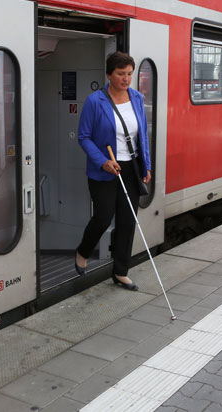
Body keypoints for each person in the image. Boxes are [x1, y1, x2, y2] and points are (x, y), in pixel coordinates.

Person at [74, 52, 151, 291]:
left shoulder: (137, 98)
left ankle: (120, 272)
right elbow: (84, 137)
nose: (126, 78)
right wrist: (102, 161)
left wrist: (146, 165)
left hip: (131, 168)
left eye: (129, 73)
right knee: (104, 217)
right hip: (106, 169)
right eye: (120, 74)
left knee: (128, 221)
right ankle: (83, 251)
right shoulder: (95, 101)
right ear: (109, 74)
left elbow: (142, 136)